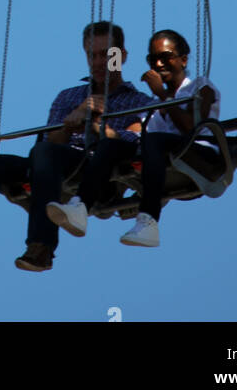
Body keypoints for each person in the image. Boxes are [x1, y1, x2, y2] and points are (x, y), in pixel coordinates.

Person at [0, 23, 152, 291]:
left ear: (122, 56)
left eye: (106, 55)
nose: (97, 62)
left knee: (44, 153)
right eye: (91, 55)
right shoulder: (69, 96)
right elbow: (52, 140)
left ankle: (41, 245)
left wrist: (95, 125)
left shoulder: (140, 101)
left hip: (98, 169)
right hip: (51, 163)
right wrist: (72, 121)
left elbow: (131, 142)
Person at [47, 28, 220, 248]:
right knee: (112, 145)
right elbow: (136, 134)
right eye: (153, 59)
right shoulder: (154, 105)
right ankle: (80, 205)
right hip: (160, 152)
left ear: (183, 59)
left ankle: (148, 221)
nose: (159, 64)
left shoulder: (200, 87)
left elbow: (191, 128)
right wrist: (99, 128)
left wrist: (160, 94)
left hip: (196, 151)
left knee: (153, 141)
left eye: (165, 57)